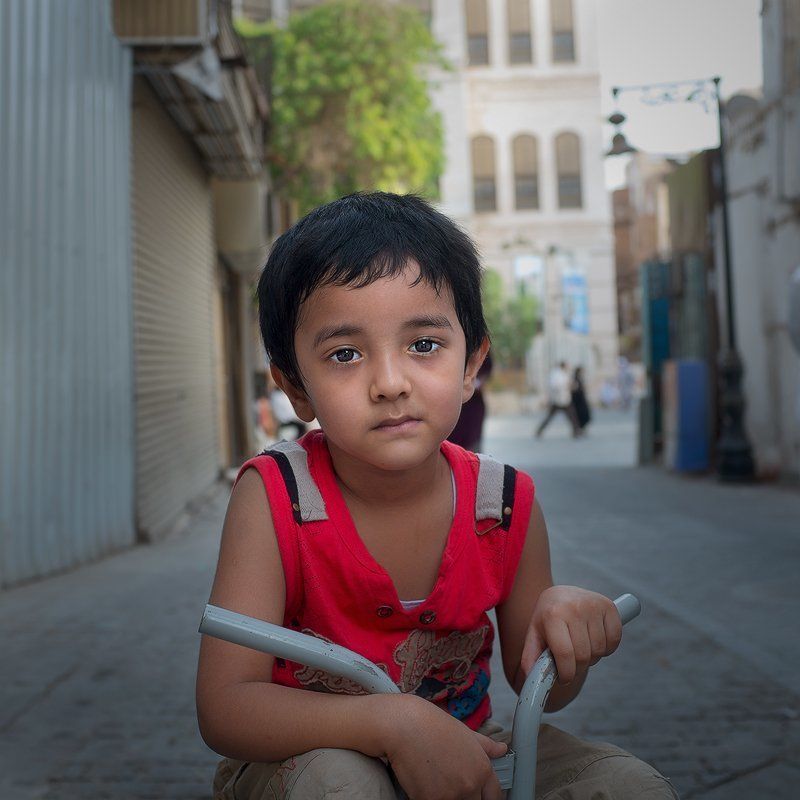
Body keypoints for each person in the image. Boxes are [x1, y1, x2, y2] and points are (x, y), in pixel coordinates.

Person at [196, 193, 677, 800]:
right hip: (302, 757)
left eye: (423, 344)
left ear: (471, 364)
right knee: (342, 786)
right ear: (296, 388)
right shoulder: (276, 498)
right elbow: (226, 706)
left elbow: (542, 689)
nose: (390, 383)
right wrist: (390, 724)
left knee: (628, 785)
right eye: (345, 354)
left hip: (465, 746)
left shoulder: (502, 504)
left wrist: (565, 632)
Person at [447, 351, 492, 452]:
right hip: (452, 403)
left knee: (472, 446)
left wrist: (478, 382)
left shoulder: (480, 349)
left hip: (473, 406)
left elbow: (487, 368)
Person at [535, 361, 580, 438]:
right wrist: (566, 385)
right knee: (550, 417)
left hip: (565, 399)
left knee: (572, 416)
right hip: (557, 400)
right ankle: (539, 430)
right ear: (563, 366)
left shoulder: (564, 374)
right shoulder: (556, 374)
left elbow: (570, 384)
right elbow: (555, 385)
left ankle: (576, 431)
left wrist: (571, 386)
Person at [571, 366, 591, 434]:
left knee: (583, 416)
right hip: (578, 402)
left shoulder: (579, 379)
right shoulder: (575, 379)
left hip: (581, 400)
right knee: (579, 416)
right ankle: (578, 429)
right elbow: (574, 390)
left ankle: (579, 429)